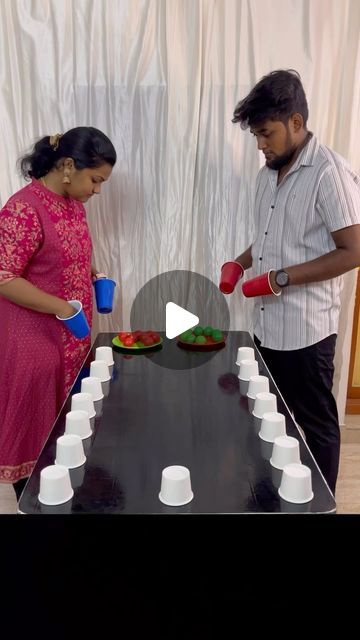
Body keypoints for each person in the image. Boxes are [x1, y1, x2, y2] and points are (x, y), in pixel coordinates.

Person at [227, 69, 360, 494]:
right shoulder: (268, 173)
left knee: (316, 426)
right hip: (267, 327)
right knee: (271, 418)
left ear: (296, 123)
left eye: (266, 133)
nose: (261, 145)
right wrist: (241, 262)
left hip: (306, 331)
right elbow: (272, 236)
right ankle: (275, 496)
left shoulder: (328, 172)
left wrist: (279, 278)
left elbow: (353, 251)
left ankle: (320, 502)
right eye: (256, 136)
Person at [0, 126, 117, 500]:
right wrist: (63, 307)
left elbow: (69, 254)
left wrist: (93, 272)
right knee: (37, 446)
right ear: (68, 165)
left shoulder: (72, 205)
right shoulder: (22, 209)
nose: (97, 190)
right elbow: (4, 277)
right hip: (35, 343)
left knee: (68, 436)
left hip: (71, 338)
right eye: (95, 180)